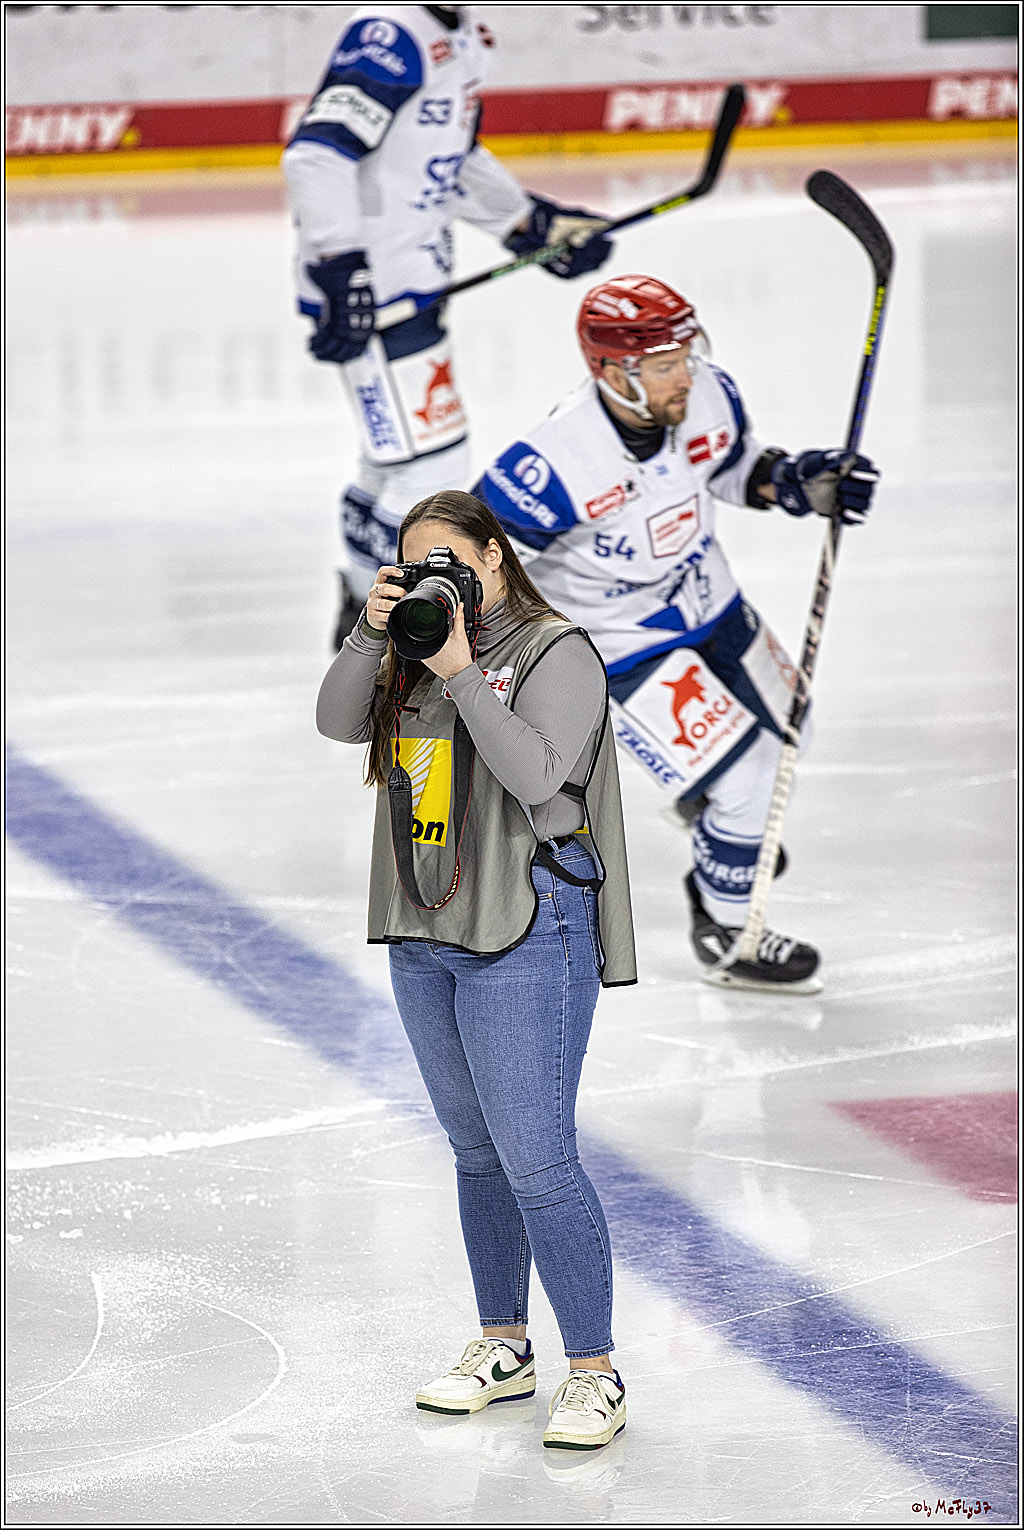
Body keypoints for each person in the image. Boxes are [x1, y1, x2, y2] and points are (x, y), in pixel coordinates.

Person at [316, 489, 636, 1451]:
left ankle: (595, 1371)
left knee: (539, 1160)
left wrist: (458, 671)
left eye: (449, 562)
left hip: (530, 928)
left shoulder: (556, 652)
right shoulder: (408, 645)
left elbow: (539, 777)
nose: (435, 582)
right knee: (477, 1152)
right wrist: (376, 638)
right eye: (415, 567)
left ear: (494, 558)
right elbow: (336, 721)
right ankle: (505, 1342)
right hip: (428, 926)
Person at [471, 273, 880, 994]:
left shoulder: (707, 390)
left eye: (685, 355)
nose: (684, 375)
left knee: (791, 738)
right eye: (664, 366)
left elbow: (732, 466)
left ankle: (711, 810)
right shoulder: (556, 459)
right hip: (616, 639)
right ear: (611, 370)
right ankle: (729, 930)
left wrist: (795, 482)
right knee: (749, 775)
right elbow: (480, 554)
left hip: (706, 596)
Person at [283, 5, 614, 648]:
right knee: (429, 468)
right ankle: (389, 627)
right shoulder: (390, 36)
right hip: (378, 297)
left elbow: (447, 162)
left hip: (407, 286)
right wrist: (340, 267)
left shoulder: (462, 36)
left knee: (397, 458)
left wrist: (528, 224)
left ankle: (363, 610)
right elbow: (317, 156)